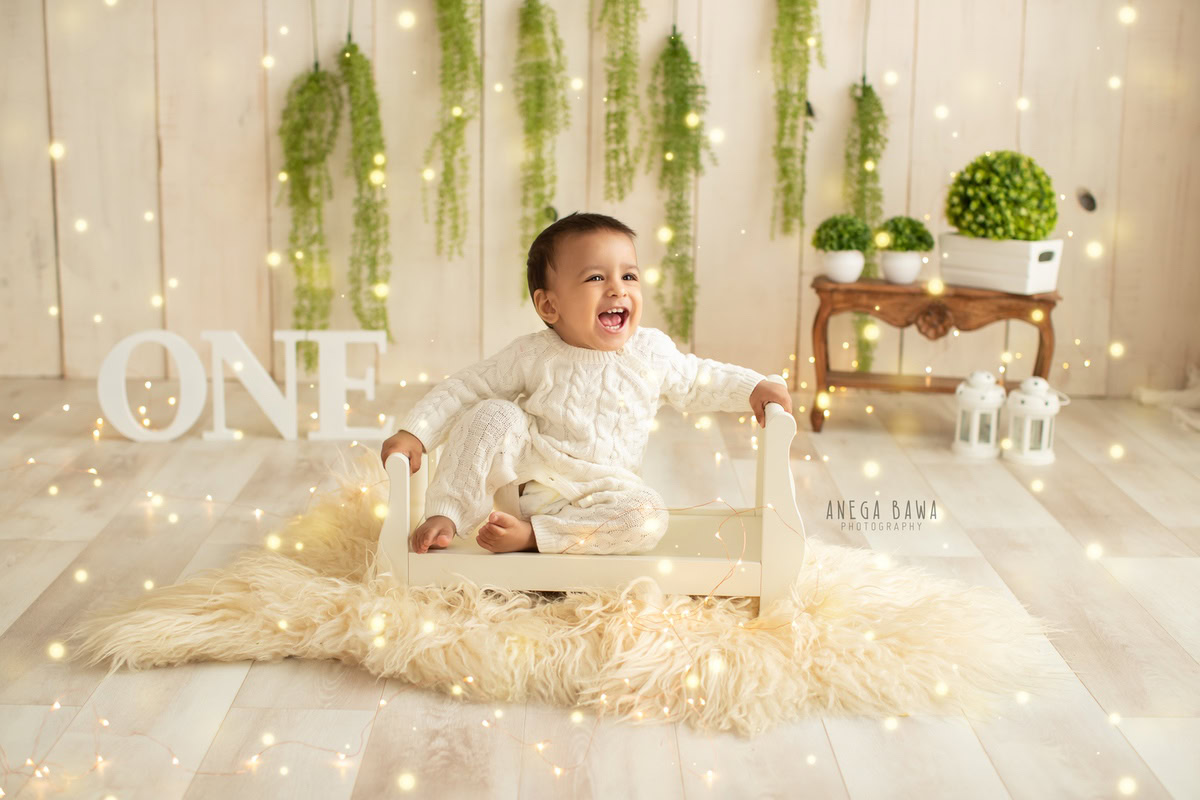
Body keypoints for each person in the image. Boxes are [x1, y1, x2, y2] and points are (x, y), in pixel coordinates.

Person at [380, 212, 792, 555]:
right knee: (492, 413)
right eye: (596, 278)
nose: (617, 289)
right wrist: (414, 433)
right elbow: (467, 387)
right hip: (529, 480)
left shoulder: (650, 352)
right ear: (549, 304)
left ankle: (536, 537)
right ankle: (447, 514)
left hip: (606, 494)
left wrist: (753, 386)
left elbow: (701, 379)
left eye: (629, 276)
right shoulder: (534, 353)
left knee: (648, 515)